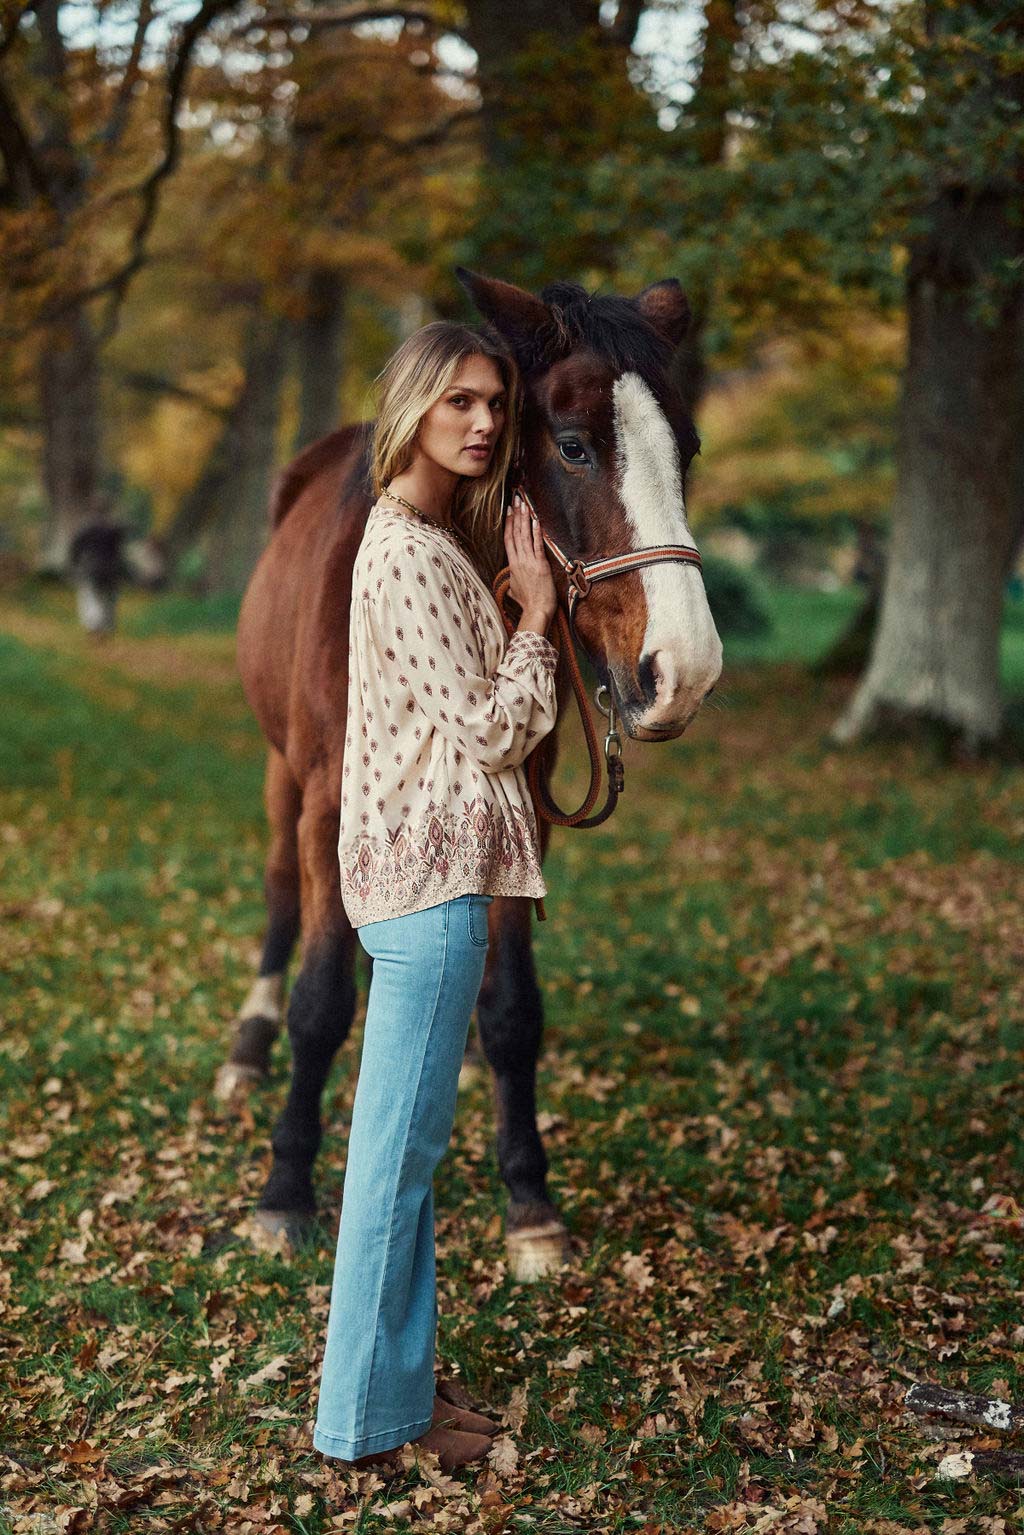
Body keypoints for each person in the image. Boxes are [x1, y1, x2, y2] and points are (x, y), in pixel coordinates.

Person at [312, 322, 560, 1473]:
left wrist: (507, 602)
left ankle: (399, 1396)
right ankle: (360, 1425)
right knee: (392, 1168)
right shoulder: (404, 550)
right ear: (412, 406)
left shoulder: (426, 539)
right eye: (460, 400)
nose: (482, 423)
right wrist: (543, 618)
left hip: (434, 881)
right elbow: (496, 728)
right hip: (428, 886)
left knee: (405, 1166)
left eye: (496, 406)